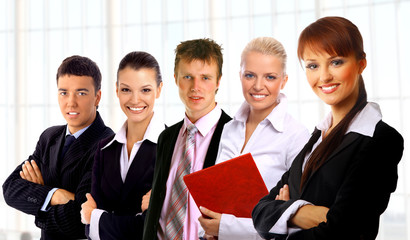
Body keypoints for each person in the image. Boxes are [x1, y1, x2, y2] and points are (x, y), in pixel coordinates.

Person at [252, 16, 404, 240]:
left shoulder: (380, 139)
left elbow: (345, 230)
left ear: (361, 63)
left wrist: (285, 212)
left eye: (336, 62)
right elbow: (259, 213)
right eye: (313, 65)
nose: (324, 76)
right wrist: (301, 212)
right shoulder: (317, 137)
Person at [197, 37, 310, 240]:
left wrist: (225, 227)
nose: (258, 86)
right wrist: (209, 231)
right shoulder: (228, 129)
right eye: (250, 75)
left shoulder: (296, 136)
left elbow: (291, 225)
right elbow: (214, 204)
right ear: (240, 76)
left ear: (284, 80)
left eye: (270, 77)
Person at [3, 55, 114, 239]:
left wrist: (39, 201)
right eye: (64, 93)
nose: (71, 102)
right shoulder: (49, 137)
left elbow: (79, 220)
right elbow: (10, 189)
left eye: (81, 93)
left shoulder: (107, 145)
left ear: (97, 97)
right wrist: (54, 194)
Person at [142, 38, 232, 240]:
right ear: (176, 79)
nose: (195, 87)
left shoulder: (234, 134)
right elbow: (158, 206)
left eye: (205, 78)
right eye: (188, 77)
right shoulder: (166, 137)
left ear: (218, 81)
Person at [79, 51, 165, 240]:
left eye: (145, 90)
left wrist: (96, 218)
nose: (135, 100)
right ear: (116, 90)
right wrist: (94, 220)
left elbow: (153, 228)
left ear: (158, 90)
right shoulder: (103, 149)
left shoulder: (172, 147)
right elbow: (88, 229)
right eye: (126, 90)